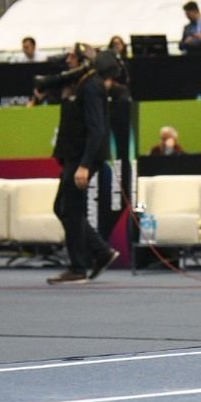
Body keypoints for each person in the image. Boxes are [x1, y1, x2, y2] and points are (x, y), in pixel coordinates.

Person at [48, 47, 123, 285]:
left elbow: (97, 128)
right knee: (63, 208)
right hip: (74, 156)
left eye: (71, 56)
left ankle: (78, 267)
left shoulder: (91, 86)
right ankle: (101, 251)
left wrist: (85, 165)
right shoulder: (78, 84)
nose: (67, 60)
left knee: (70, 209)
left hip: (83, 159)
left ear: (83, 62)